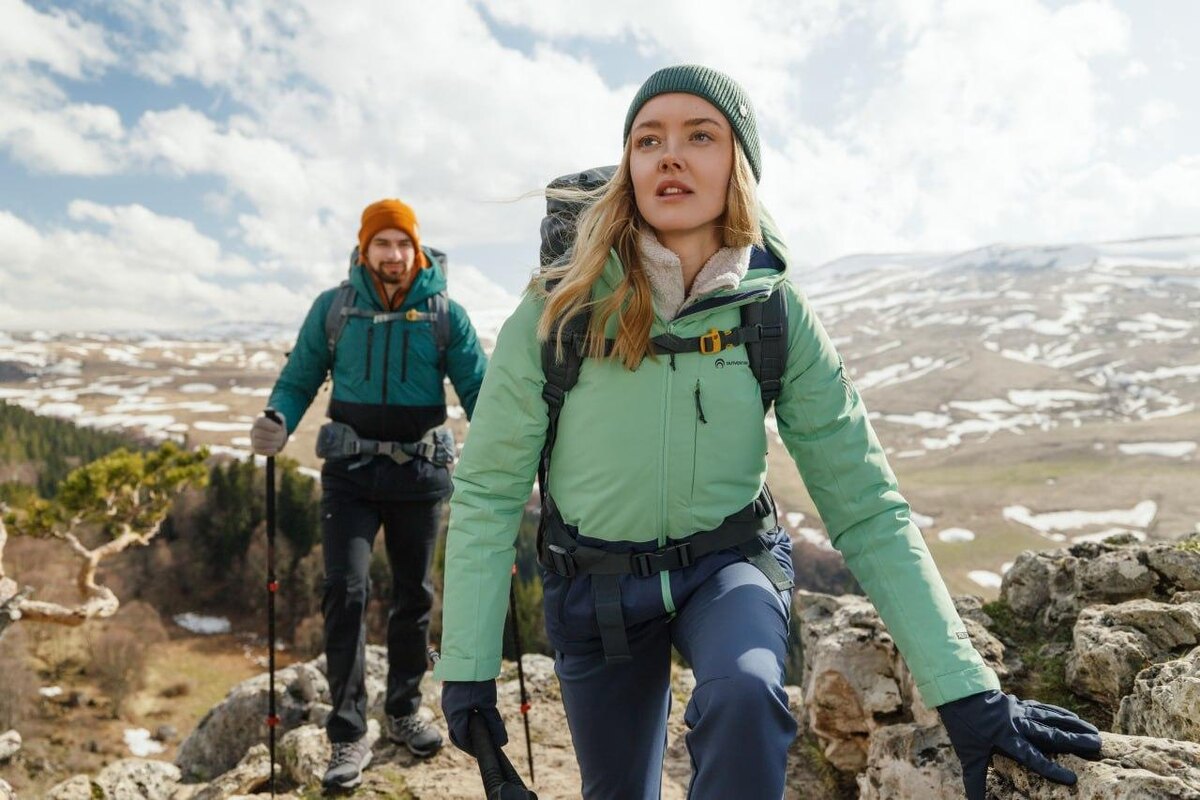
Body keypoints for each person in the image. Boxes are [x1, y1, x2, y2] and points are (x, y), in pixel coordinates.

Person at [434, 65, 1101, 800]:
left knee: (748, 697)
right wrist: (467, 671)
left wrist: (965, 688)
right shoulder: (557, 311)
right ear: (629, 169)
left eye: (700, 136)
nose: (669, 155)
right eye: (648, 140)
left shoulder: (775, 312)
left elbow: (865, 505)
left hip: (726, 567)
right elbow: (489, 492)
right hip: (596, 587)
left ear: (740, 166)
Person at [250, 198, 488, 790]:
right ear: (365, 249)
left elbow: (479, 390)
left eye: (403, 243)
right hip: (350, 475)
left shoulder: (445, 315)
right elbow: (301, 375)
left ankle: (404, 709)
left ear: (416, 249)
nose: (394, 254)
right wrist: (278, 416)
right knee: (345, 591)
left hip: (420, 475)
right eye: (382, 243)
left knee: (414, 595)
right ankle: (348, 731)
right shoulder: (335, 310)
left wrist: (509, 444)